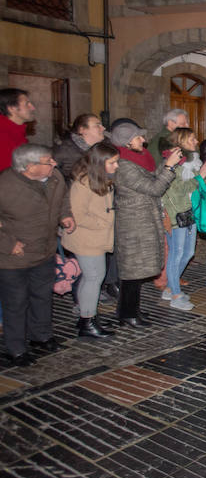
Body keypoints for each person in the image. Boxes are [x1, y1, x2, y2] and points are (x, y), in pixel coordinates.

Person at [0, 145, 74, 365]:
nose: (54, 164)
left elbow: (63, 199)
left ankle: (41, 337)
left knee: (42, 297)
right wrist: (8, 244)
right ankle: (16, 349)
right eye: (47, 161)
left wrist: (65, 215)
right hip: (14, 258)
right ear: (29, 167)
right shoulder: (5, 186)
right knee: (16, 303)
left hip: (45, 250)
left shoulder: (55, 177)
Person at [112, 122, 180, 327]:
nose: (143, 140)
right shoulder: (123, 165)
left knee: (138, 270)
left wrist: (168, 163)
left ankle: (132, 309)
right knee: (133, 270)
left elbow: (152, 179)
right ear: (127, 141)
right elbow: (154, 188)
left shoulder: (137, 160)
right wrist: (168, 167)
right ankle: (127, 314)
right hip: (133, 222)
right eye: (138, 137)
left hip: (144, 218)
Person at [61, 142, 119, 338]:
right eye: (112, 162)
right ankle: (88, 320)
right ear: (99, 163)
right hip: (86, 239)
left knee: (92, 278)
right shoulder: (83, 183)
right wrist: (102, 223)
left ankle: (87, 317)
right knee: (94, 278)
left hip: (96, 238)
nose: (116, 166)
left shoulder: (101, 179)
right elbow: (77, 215)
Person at [160, 128, 206, 310]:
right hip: (177, 213)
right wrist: (201, 174)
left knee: (188, 253)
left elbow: (198, 184)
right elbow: (178, 190)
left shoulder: (193, 161)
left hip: (190, 210)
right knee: (176, 254)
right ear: (181, 141)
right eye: (191, 138)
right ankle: (175, 294)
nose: (196, 141)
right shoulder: (174, 162)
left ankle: (170, 287)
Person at [53, 114, 108, 182]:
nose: (103, 128)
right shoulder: (63, 149)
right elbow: (53, 176)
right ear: (82, 130)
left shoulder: (106, 145)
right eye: (97, 125)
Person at [0, 88, 34, 173]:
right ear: (12, 108)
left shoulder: (16, 130)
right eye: (27, 104)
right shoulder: (2, 134)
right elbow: (8, 175)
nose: (33, 108)